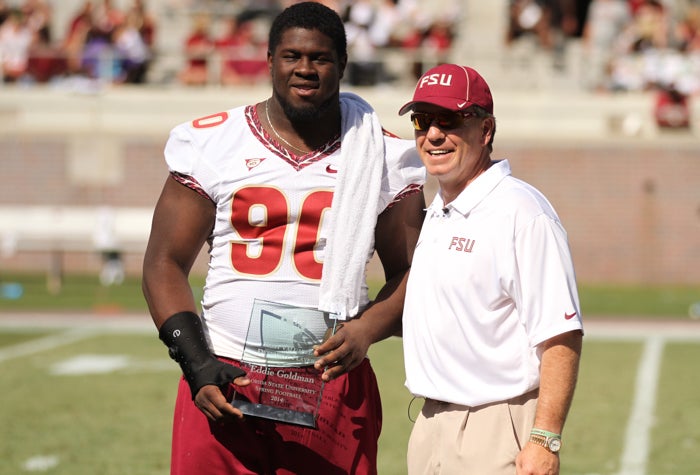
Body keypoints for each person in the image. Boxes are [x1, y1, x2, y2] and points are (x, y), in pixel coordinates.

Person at [141, 2, 425, 475]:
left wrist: (366, 330)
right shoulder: (214, 142)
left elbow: (415, 270)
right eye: (292, 56)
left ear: (342, 65)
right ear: (269, 59)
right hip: (228, 370)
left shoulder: (383, 154)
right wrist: (196, 362)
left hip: (330, 379)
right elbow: (163, 261)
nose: (306, 69)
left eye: (321, 58)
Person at [398, 63, 583, 475]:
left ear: (486, 130)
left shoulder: (522, 212)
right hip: (430, 423)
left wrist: (544, 438)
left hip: (496, 424)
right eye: (422, 120)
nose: (432, 134)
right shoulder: (441, 209)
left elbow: (561, 333)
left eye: (448, 120)